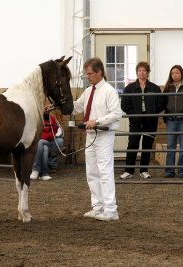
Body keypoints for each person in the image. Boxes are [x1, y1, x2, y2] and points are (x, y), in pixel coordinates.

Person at [73, 57, 122, 221]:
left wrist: (97, 121)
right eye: (87, 74)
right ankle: (98, 206)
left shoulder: (109, 91)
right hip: (91, 135)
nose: (88, 76)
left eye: (90, 73)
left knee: (105, 171)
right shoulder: (88, 91)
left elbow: (116, 113)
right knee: (91, 172)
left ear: (99, 72)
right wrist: (60, 104)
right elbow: (78, 106)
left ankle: (110, 210)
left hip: (104, 135)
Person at [120, 61, 165, 179]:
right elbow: (125, 105)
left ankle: (144, 170)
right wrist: (134, 115)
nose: (142, 72)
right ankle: (129, 171)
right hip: (135, 121)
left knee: (147, 145)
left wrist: (153, 113)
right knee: (132, 144)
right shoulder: (129, 88)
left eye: (144, 70)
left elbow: (161, 103)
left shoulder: (154, 88)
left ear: (148, 72)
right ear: (137, 72)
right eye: (139, 70)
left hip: (150, 121)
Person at [30, 109, 63, 181]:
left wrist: (45, 136)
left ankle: (35, 169)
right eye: (44, 109)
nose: (46, 110)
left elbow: (55, 130)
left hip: (48, 141)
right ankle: (44, 173)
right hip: (38, 142)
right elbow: (35, 132)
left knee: (42, 142)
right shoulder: (36, 118)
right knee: (45, 148)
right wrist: (45, 136)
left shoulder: (52, 118)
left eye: (47, 110)